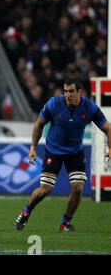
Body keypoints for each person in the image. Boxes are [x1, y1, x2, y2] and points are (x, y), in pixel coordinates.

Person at [15, 79, 111, 232]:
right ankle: (25, 212)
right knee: (45, 189)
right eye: (65, 91)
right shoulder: (54, 103)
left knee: (78, 188)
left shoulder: (89, 107)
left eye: (71, 91)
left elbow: (108, 128)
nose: (67, 95)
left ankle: (65, 223)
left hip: (75, 152)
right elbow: (39, 124)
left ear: (79, 92)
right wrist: (33, 147)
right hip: (54, 151)